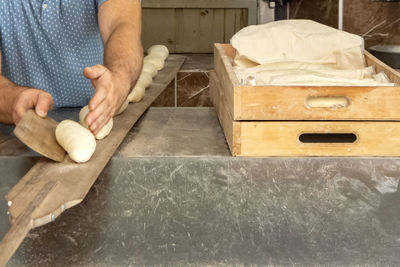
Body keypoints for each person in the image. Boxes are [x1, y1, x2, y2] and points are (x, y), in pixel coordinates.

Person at [0, 0, 143, 135]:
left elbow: (122, 24)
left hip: (97, 119)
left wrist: (119, 78)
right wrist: (10, 99)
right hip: (16, 128)